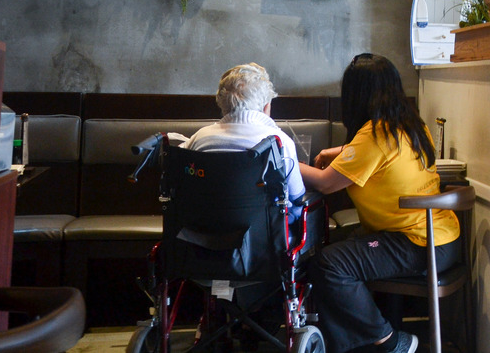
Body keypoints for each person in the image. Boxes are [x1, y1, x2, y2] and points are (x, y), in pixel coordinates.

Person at [299, 53, 458, 353]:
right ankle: (358, 343)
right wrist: (337, 152)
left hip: (417, 244)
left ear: (356, 95)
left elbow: (325, 183)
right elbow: (370, 152)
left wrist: (284, 160)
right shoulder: (411, 125)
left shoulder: (375, 134)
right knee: (336, 246)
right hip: (442, 239)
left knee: (328, 264)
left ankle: (390, 341)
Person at [185, 62, 305, 201]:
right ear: (267, 107)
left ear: (222, 105)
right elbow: (297, 196)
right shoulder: (280, 141)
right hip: (265, 215)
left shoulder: (200, 138)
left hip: (203, 215)